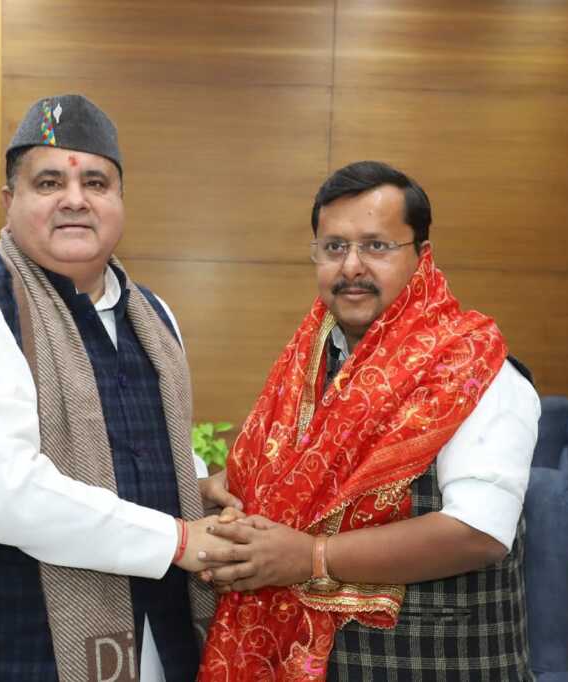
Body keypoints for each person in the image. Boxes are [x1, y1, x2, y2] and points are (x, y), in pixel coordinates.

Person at [0, 94, 237, 682]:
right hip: (2, 657)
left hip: (154, 648)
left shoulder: (153, 315)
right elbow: (9, 493)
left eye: (96, 183)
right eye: (49, 182)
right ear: (10, 201)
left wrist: (199, 490)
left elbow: (151, 450)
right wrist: (180, 539)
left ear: (120, 200)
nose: (75, 199)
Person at [197, 161, 541, 680]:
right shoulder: (307, 368)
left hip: (435, 662)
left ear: (422, 256)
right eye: (334, 247)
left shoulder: (478, 371)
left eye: (377, 246)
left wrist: (312, 557)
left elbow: (478, 533)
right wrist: (230, 490)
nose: (352, 266)